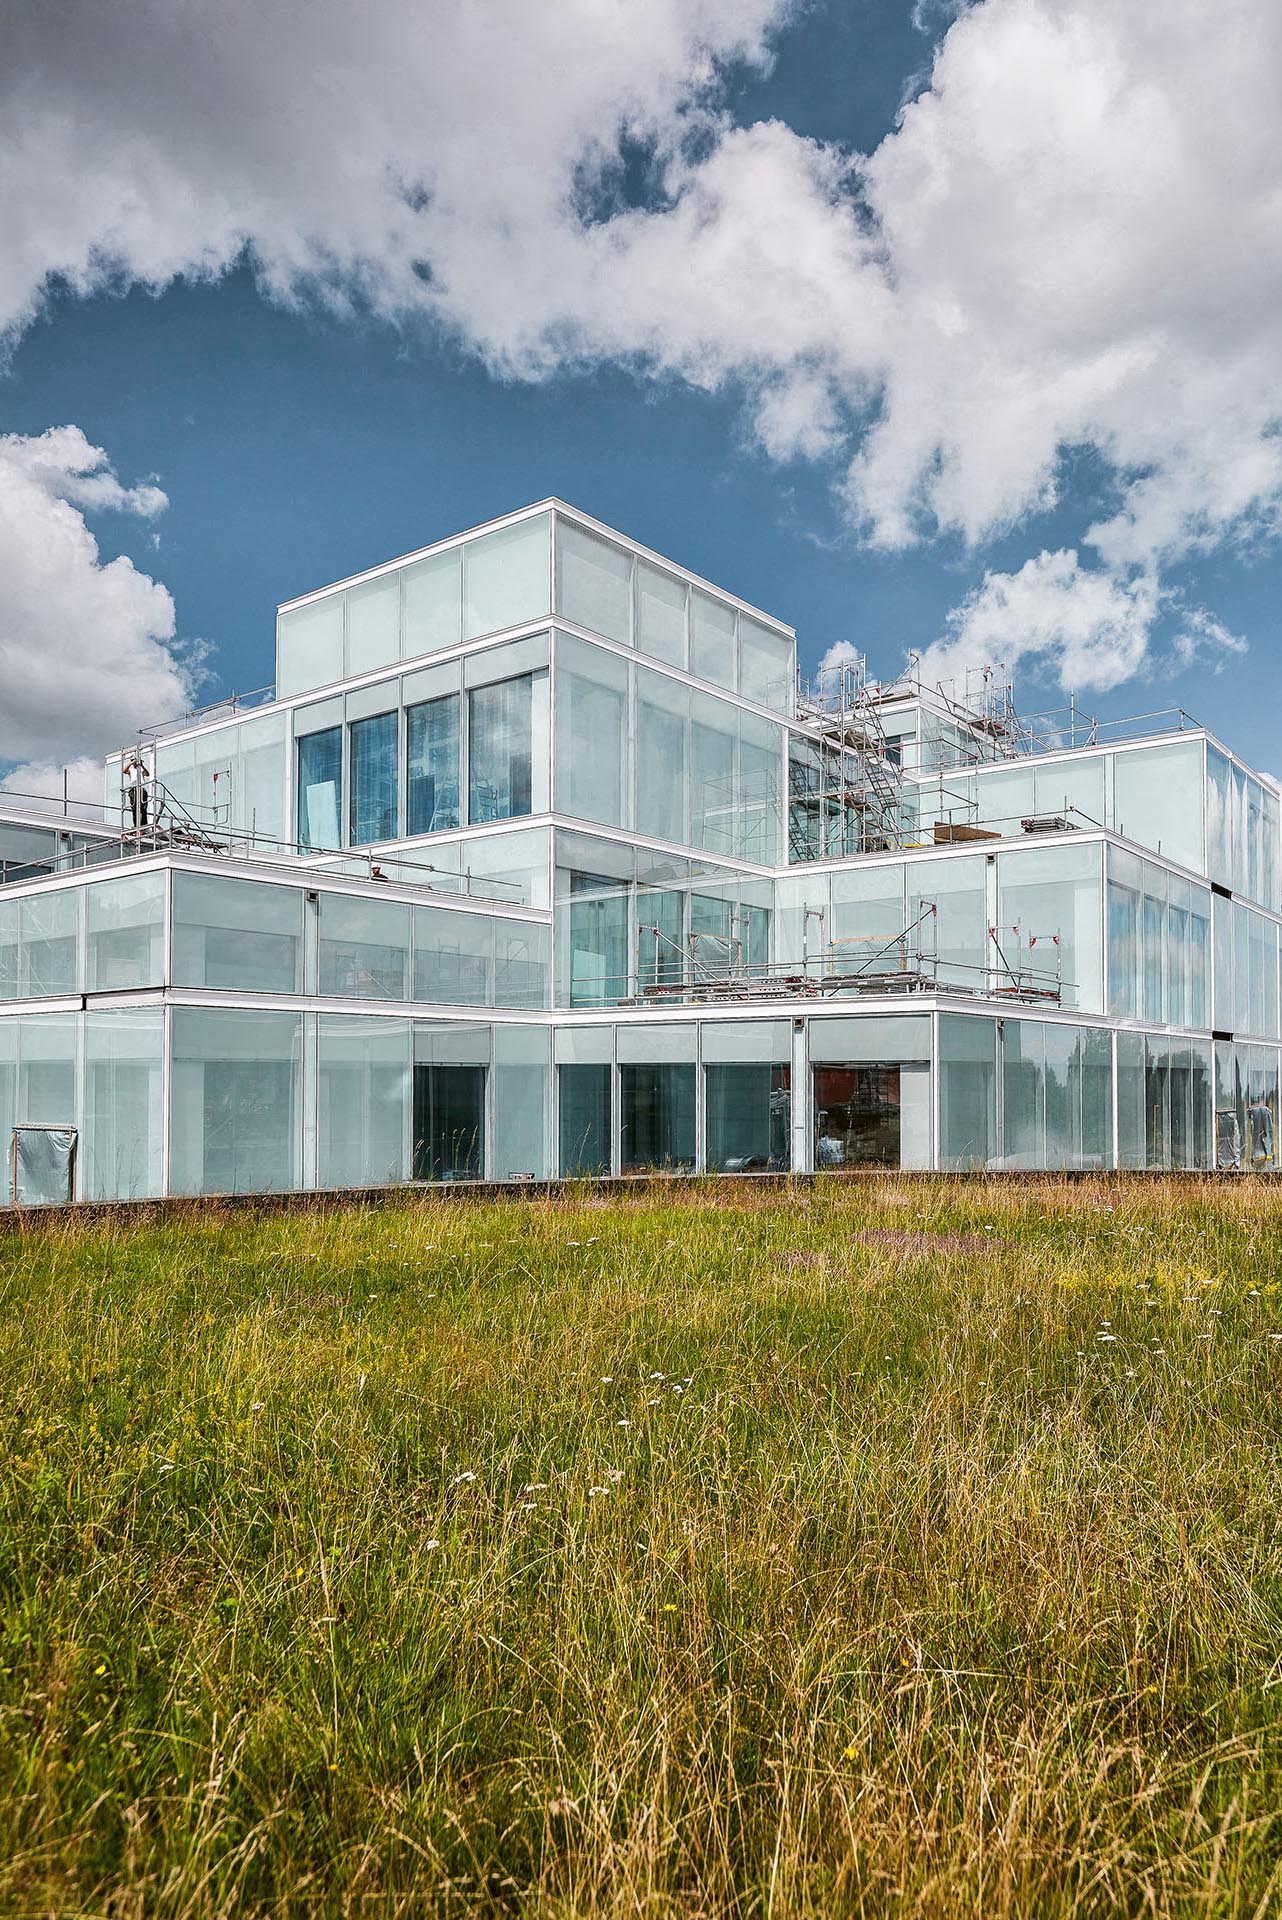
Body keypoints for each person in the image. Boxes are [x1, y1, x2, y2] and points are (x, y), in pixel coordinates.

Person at [123, 756, 150, 829]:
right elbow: (124, 771)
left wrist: (142, 766)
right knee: (134, 808)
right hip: (134, 789)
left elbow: (147, 774)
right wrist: (131, 763)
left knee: (143, 808)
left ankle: (144, 825)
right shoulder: (131, 769)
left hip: (142, 789)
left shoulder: (140, 769)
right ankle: (136, 825)